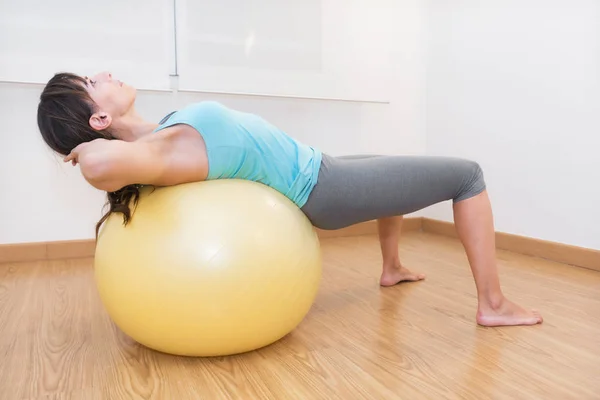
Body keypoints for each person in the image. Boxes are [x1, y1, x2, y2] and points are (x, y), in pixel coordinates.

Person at [37, 71, 543, 327]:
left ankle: (392, 266)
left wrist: (97, 139)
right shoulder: (160, 151)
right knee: (467, 176)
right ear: (98, 119)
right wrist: (86, 150)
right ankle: (493, 304)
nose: (103, 74)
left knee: (389, 162)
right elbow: (101, 167)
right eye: (90, 82)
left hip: (323, 165)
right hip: (324, 188)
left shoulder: (160, 135)